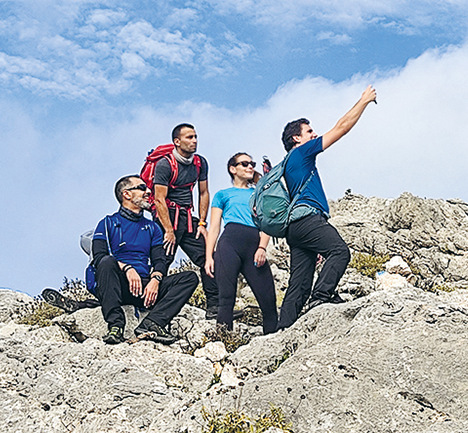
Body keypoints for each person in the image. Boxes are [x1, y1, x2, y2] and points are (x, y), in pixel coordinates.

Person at [276, 85, 378, 330]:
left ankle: (282, 330)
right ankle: (321, 297)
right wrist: (363, 101)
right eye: (309, 131)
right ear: (296, 138)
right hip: (308, 218)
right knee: (340, 252)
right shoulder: (302, 152)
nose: (314, 134)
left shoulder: (288, 162)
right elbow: (341, 128)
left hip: (295, 227)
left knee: (299, 282)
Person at [89, 175, 198, 344]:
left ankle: (152, 323)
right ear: (126, 194)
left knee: (189, 278)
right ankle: (116, 326)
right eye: (141, 188)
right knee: (106, 262)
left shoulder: (152, 227)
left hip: (145, 289)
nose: (148, 192)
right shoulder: (107, 223)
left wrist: (155, 279)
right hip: (118, 285)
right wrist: (127, 269)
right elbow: (99, 256)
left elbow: (160, 260)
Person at [151, 123, 220, 319]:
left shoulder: (200, 163)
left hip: (188, 219)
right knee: (161, 262)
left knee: (209, 256)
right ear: (177, 141)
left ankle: (215, 307)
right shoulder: (165, 164)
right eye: (189, 137)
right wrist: (168, 231)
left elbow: (204, 192)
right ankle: (152, 303)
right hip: (166, 219)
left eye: (195, 136)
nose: (195, 141)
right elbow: (158, 199)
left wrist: (202, 223)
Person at [204, 153, 278, 334]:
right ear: (233, 169)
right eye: (244, 164)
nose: (250, 167)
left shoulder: (259, 193)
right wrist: (209, 257)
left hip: (254, 244)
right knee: (226, 298)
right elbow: (214, 228)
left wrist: (262, 247)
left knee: (268, 300)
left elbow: (267, 223)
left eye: (252, 164)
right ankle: (222, 344)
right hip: (229, 244)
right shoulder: (222, 195)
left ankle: (273, 341)